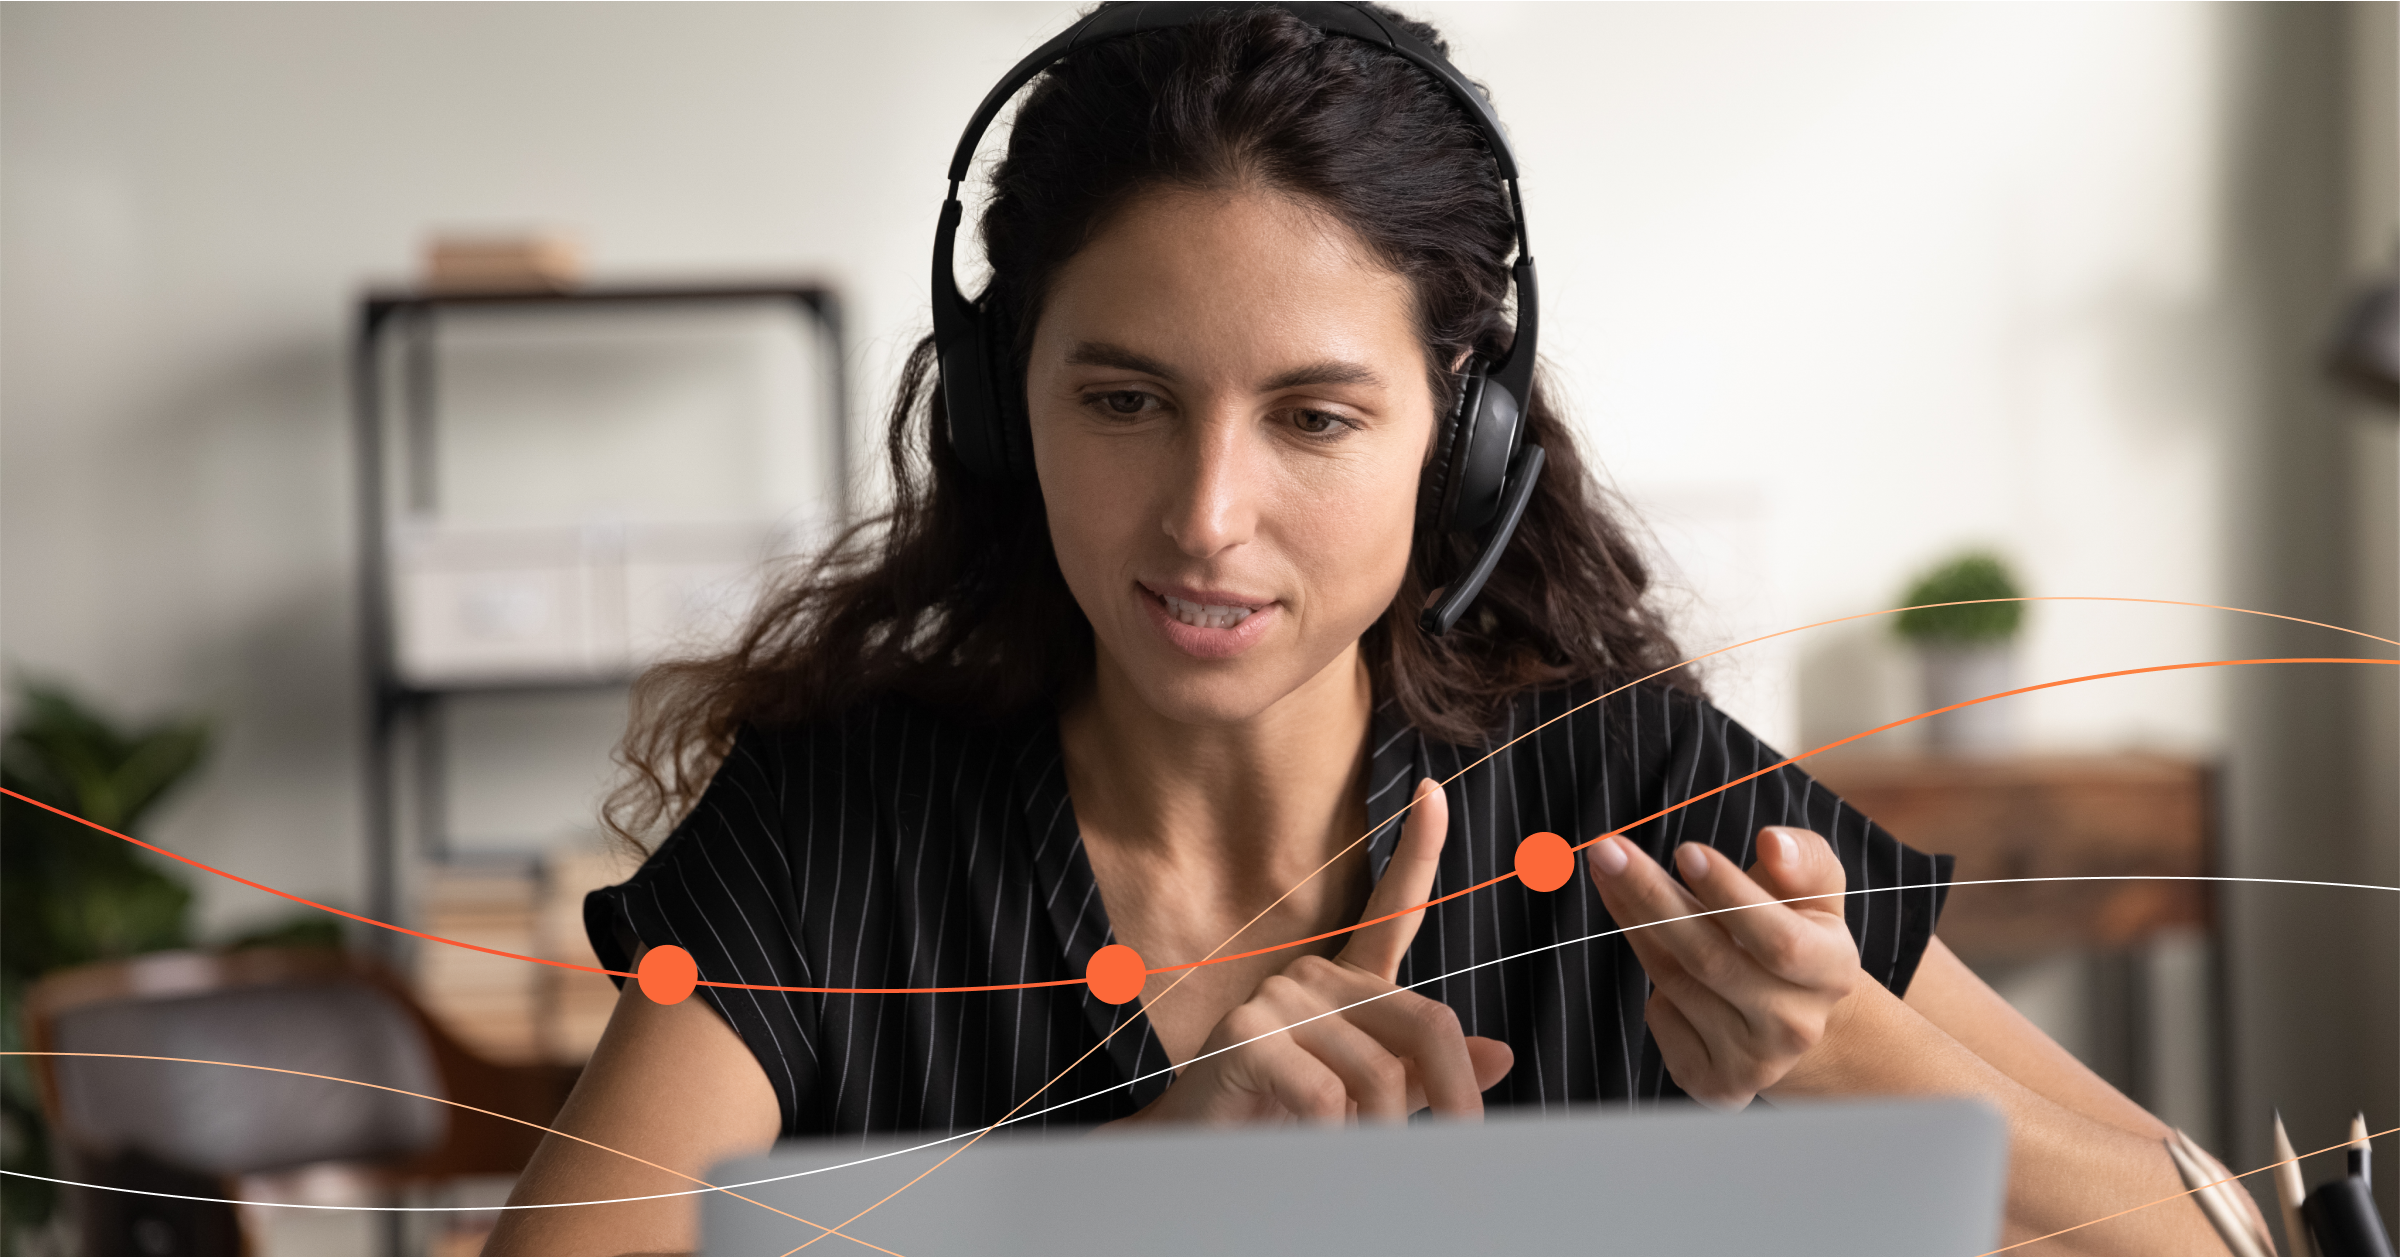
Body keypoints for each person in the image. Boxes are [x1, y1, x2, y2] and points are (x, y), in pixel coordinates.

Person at [484, 5, 2247, 1254]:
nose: (1204, 517)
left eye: (1314, 420)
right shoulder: (837, 835)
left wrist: (1839, 1048)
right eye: (1123, 401)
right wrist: (1135, 1199)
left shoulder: (1622, 790)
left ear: (1459, 441)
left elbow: (2215, 1235)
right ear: (997, 409)